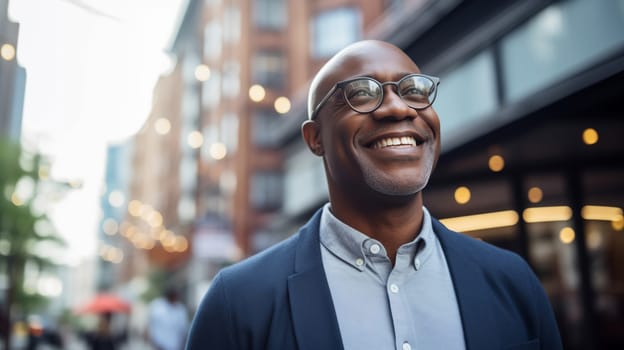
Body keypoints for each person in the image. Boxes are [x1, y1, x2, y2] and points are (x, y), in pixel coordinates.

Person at [185, 40, 563, 350]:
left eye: (413, 90)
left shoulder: (512, 281)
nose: (398, 107)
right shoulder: (238, 302)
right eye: (361, 94)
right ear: (315, 138)